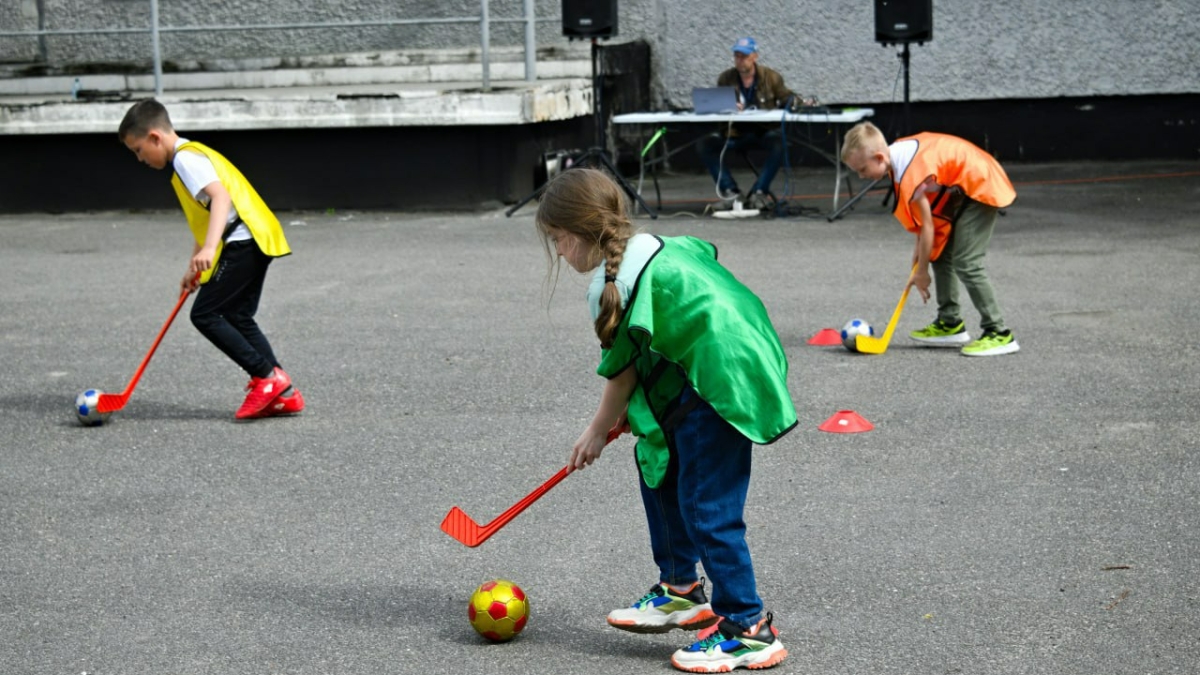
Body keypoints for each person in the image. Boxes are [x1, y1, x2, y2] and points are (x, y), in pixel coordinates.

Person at [535, 167, 797, 672]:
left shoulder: (608, 285)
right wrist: (642, 413)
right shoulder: (654, 243)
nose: (559, 253)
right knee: (659, 465)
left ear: (576, 234)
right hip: (727, 361)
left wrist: (596, 430)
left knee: (708, 508)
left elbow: (623, 371)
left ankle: (748, 628)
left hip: (720, 383)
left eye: (557, 241)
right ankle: (681, 588)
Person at [118, 99, 304, 418]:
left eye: (137, 150)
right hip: (256, 237)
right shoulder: (191, 157)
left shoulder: (187, 160)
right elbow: (205, 221)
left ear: (154, 137)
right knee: (238, 315)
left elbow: (221, 197)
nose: (139, 159)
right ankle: (284, 393)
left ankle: (268, 378)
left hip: (244, 241)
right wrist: (196, 265)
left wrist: (209, 251)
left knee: (205, 314)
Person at [841, 121, 1020, 356]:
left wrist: (922, 272)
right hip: (962, 189)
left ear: (879, 158)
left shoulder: (910, 173)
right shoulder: (897, 157)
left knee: (966, 262)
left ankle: (999, 333)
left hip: (980, 185)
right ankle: (950, 323)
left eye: (862, 170)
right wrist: (921, 253)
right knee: (941, 253)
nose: (861, 176)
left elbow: (928, 228)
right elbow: (926, 226)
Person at [697, 36, 803, 214]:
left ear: (755, 56)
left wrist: (797, 102)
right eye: (737, 56)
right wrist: (728, 106)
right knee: (705, 144)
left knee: (778, 143)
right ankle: (730, 191)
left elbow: (787, 98)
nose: (740, 60)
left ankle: (759, 192)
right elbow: (716, 105)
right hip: (734, 133)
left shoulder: (771, 77)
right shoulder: (726, 78)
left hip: (763, 132)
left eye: (744, 56)